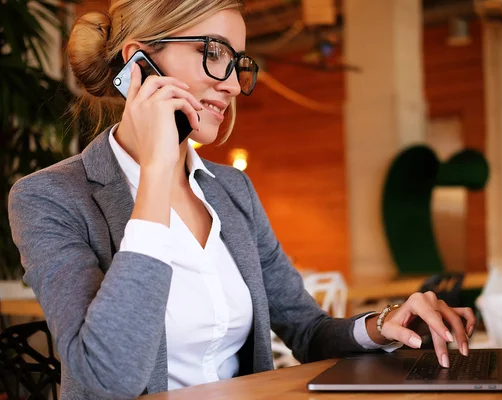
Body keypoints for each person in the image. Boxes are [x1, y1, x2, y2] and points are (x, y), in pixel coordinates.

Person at [8, 1, 476, 399]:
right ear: (138, 65)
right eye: (214, 53)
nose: (232, 85)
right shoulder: (49, 198)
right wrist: (155, 171)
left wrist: (382, 325)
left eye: (238, 64)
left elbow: (307, 331)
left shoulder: (232, 191)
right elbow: (105, 381)